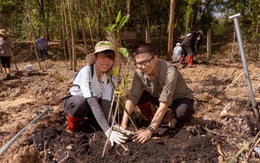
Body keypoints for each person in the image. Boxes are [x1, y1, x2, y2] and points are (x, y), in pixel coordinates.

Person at [120, 43, 195, 144]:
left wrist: (149, 130)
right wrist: (123, 125)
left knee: (182, 113)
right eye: (139, 63)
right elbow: (132, 97)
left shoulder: (169, 72)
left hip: (178, 98)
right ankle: (160, 117)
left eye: (145, 62)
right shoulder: (139, 74)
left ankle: (170, 115)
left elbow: (164, 102)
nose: (142, 67)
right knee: (139, 96)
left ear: (155, 58)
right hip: (158, 97)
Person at [62, 41, 127, 146]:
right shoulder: (86, 71)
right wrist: (107, 131)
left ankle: (95, 120)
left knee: (115, 106)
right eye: (103, 57)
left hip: (95, 102)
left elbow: (106, 102)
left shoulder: (110, 77)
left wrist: (113, 125)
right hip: (76, 102)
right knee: (81, 103)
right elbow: (91, 101)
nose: (106, 62)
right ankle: (72, 126)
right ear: (95, 58)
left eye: (110, 58)